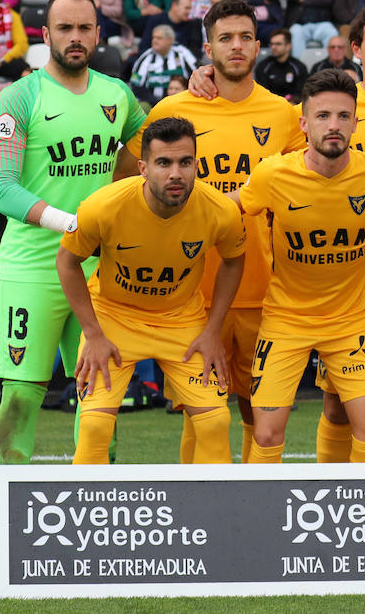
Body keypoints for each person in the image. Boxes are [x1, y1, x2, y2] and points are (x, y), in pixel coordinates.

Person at [0, 0, 145, 568]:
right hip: (32, 267)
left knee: (100, 399)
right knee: (22, 397)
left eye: (85, 28)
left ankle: (96, 524)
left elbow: (146, 156)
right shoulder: (16, 99)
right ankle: (4, 531)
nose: (75, 37)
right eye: (64, 28)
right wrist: (72, 220)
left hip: (102, 271)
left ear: (98, 33)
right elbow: (0, 186)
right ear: (45, 34)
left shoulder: (118, 96)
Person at [131, 0, 305, 461]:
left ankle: (255, 512)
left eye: (245, 36)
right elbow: (131, 180)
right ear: (207, 48)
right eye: (225, 38)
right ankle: (198, 514)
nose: (236, 46)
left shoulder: (284, 114)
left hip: (262, 287)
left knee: (256, 411)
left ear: (258, 45)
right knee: (201, 411)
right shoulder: (172, 109)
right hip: (189, 294)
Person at [236, 69, 365, 463]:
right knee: (268, 434)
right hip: (285, 321)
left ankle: (363, 520)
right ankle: (261, 521)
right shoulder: (273, 173)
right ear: (304, 123)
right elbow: (225, 210)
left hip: (350, 323)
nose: (334, 125)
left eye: (344, 116)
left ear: (357, 122)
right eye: (323, 116)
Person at [62, 116, 244, 465]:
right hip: (113, 319)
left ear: (195, 165)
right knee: (95, 428)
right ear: (143, 168)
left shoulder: (220, 210)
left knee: (215, 422)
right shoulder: (103, 206)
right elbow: (67, 263)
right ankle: (89, 517)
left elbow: (234, 261)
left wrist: (212, 330)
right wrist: (92, 332)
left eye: (185, 162)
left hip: (182, 321)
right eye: (164, 163)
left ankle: (208, 515)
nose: (175, 173)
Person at [128, 23, 198, 104]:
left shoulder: (183, 53)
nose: (154, 40)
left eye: (159, 38)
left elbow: (196, 77)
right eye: (153, 37)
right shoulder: (146, 57)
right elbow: (136, 85)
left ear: (170, 40)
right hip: (152, 104)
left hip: (181, 102)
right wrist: (156, 102)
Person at [254, 28, 307, 102]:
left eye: (278, 44)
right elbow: (262, 93)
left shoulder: (299, 67)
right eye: (272, 44)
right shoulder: (263, 66)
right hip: (269, 106)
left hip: (291, 107)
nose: (273, 47)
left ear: (288, 46)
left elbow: (300, 94)